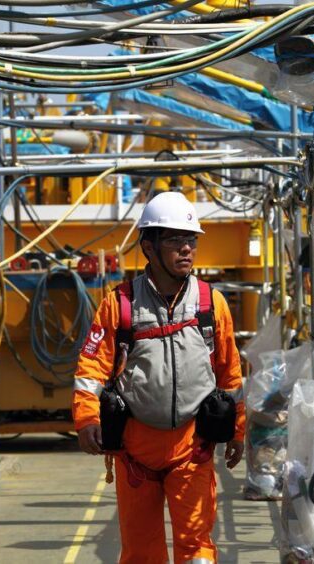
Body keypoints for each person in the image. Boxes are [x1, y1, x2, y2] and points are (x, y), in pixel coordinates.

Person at [72, 191, 245, 564]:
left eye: (191, 240)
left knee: (197, 549)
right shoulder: (119, 305)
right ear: (148, 247)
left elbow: (230, 375)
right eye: (174, 240)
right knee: (140, 555)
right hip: (135, 451)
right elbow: (91, 370)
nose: (186, 249)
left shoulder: (210, 305)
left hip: (192, 449)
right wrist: (86, 419)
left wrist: (238, 431)